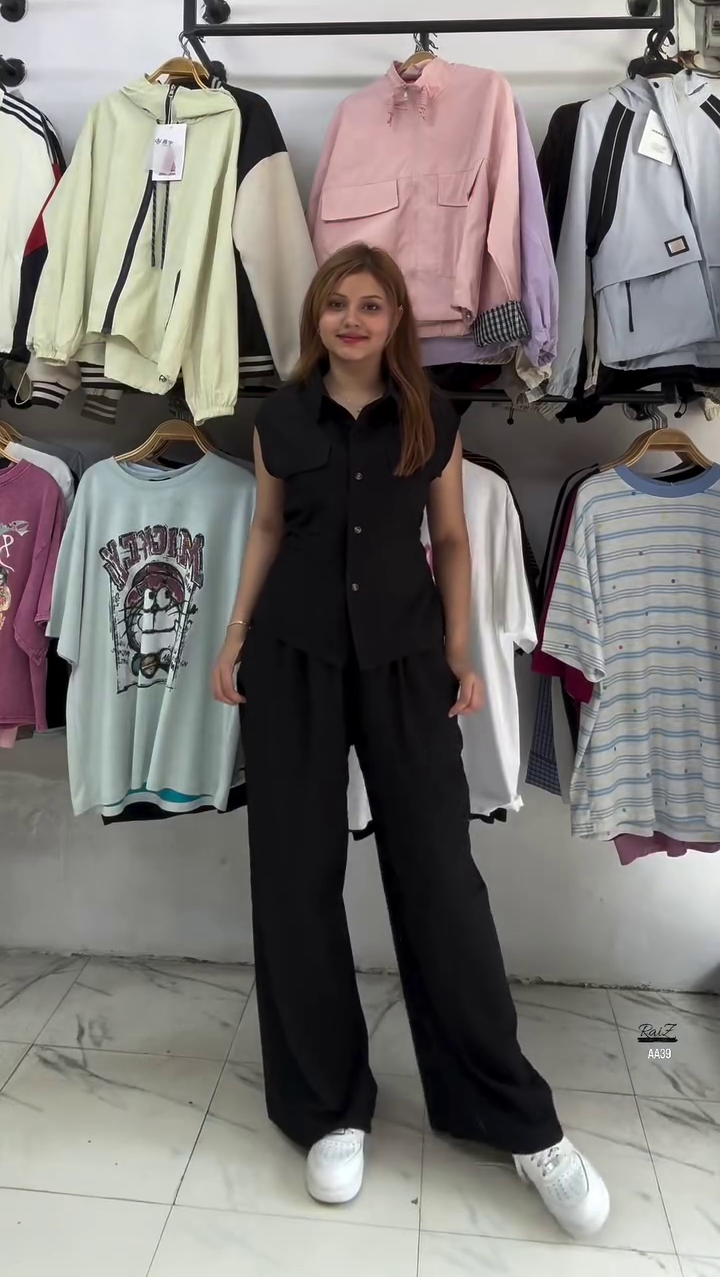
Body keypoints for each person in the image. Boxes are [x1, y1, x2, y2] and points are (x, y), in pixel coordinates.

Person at [213, 244, 610, 1239]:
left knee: (440, 879)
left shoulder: (431, 416)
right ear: (316, 316)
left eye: (371, 304)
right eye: (337, 303)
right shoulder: (280, 418)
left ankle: (511, 1115)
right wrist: (233, 636)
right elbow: (267, 529)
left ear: (396, 318)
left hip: (404, 660)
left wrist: (461, 651)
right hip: (294, 659)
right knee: (294, 879)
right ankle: (327, 1107)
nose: (352, 319)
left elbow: (457, 539)